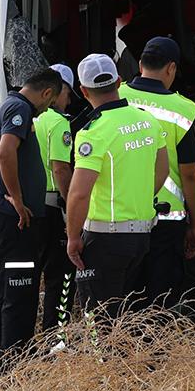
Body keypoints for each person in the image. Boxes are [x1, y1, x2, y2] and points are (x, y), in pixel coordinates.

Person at [0, 66, 63, 377]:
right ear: (47, 93)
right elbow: (4, 153)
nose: (47, 110)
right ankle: (14, 366)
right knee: (21, 293)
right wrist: (16, 199)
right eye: (49, 104)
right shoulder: (20, 110)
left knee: (5, 290)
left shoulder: (0, 109)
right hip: (15, 220)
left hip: (0, 213)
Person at [65, 53, 167, 321]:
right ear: (119, 81)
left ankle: (104, 364)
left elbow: (79, 193)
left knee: (98, 318)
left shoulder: (93, 133)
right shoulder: (148, 121)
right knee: (130, 316)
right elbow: (163, 170)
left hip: (104, 237)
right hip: (142, 233)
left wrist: (73, 237)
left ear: (83, 91)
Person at [119, 37, 195, 311]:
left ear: (140, 64)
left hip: (120, 214)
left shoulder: (116, 97)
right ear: (171, 69)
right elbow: (190, 174)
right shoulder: (183, 110)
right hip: (167, 219)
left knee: (124, 294)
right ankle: (154, 350)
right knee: (160, 298)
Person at [35, 64, 76, 333]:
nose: (69, 100)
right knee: (60, 276)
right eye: (68, 94)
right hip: (53, 206)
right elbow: (60, 168)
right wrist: (72, 203)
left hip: (31, 203)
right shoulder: (59, 123)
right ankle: (54, 333)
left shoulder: (33, 117)